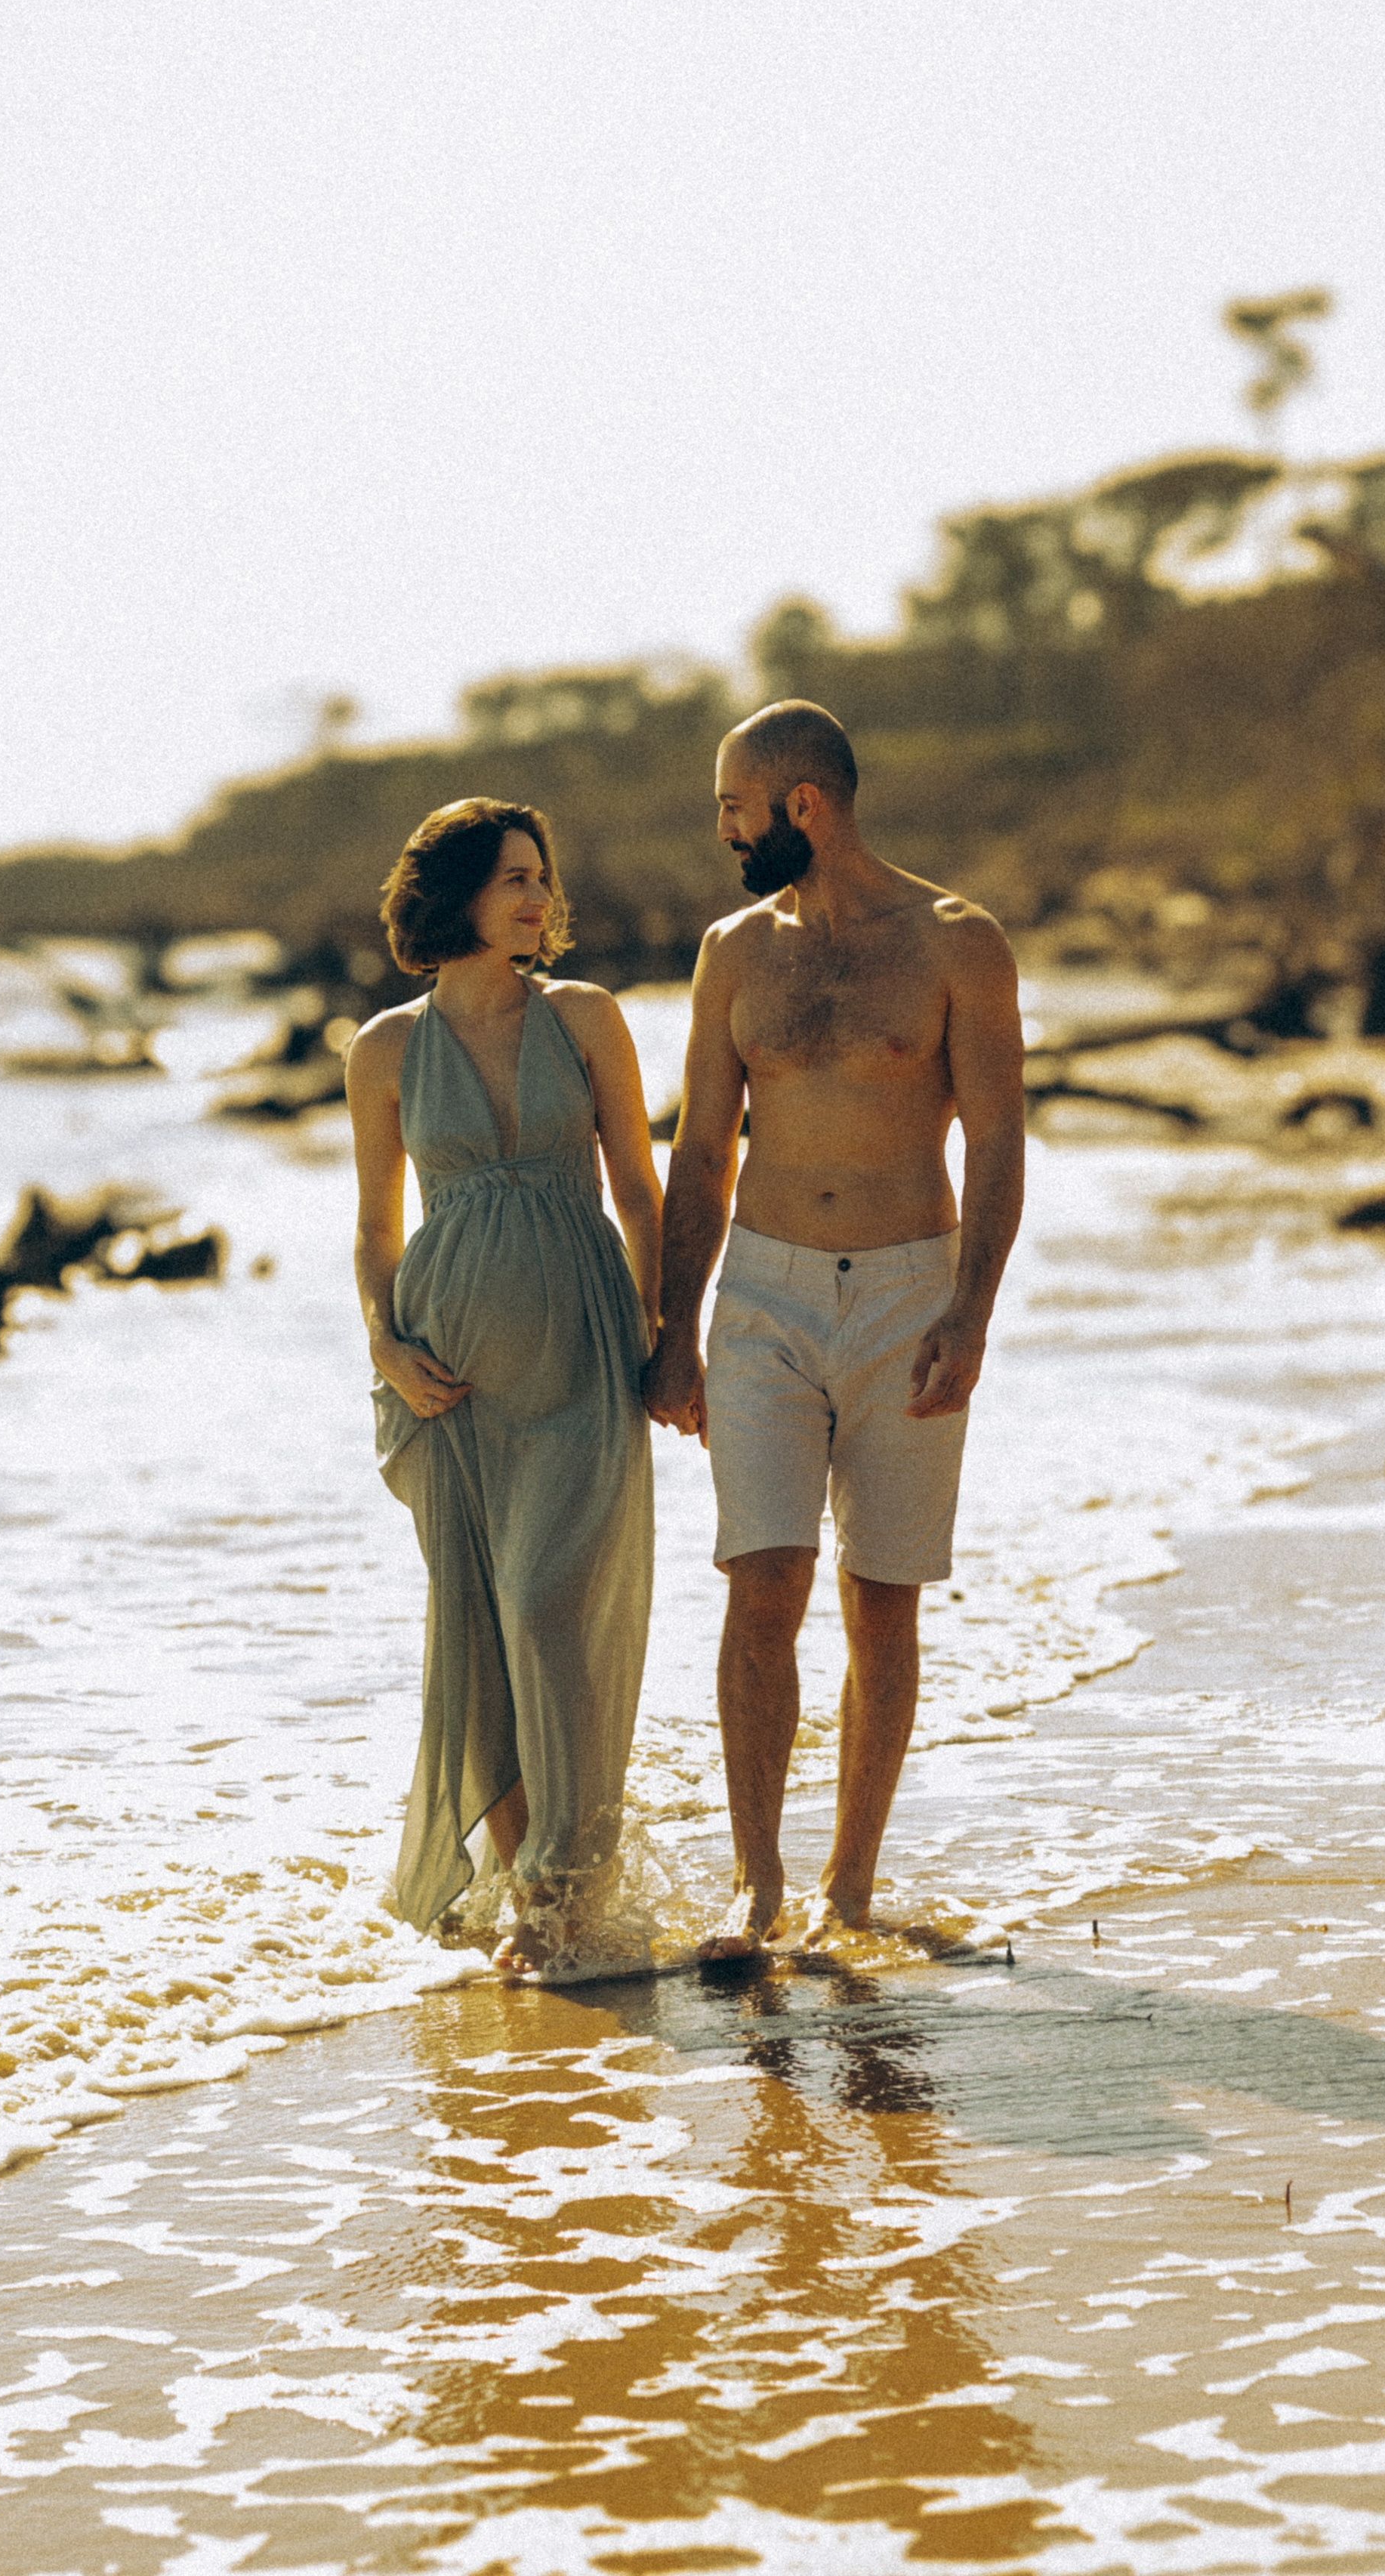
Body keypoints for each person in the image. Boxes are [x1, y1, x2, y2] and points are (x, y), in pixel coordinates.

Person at [643, 701, 1025, 1957]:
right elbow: (699, 1153)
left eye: (733, 809)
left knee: (881, 1600)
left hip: (911, 1290)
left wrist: (970, 1312)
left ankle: (847, 1889)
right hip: (764, 1295)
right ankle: (758, 1891)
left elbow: (999, 1144)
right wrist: (675, 1328)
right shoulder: (733, 953)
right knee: (764, 1578)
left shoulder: (959, 945)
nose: (724, 833)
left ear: (802, 804)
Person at [348, 798, 662, 1977]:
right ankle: (544, 1906)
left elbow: (638, 1186)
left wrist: (659, 1326)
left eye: (544, 877)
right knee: (482, 1635)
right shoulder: (384, 1048)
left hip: (583, 1357)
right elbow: (378, 1227)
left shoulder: (584, 1020)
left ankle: (574, 1889)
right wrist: (384, 1343)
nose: (539, 898)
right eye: (514, 878)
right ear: (457, 895)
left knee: (546, 1611)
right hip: (451, 1381)